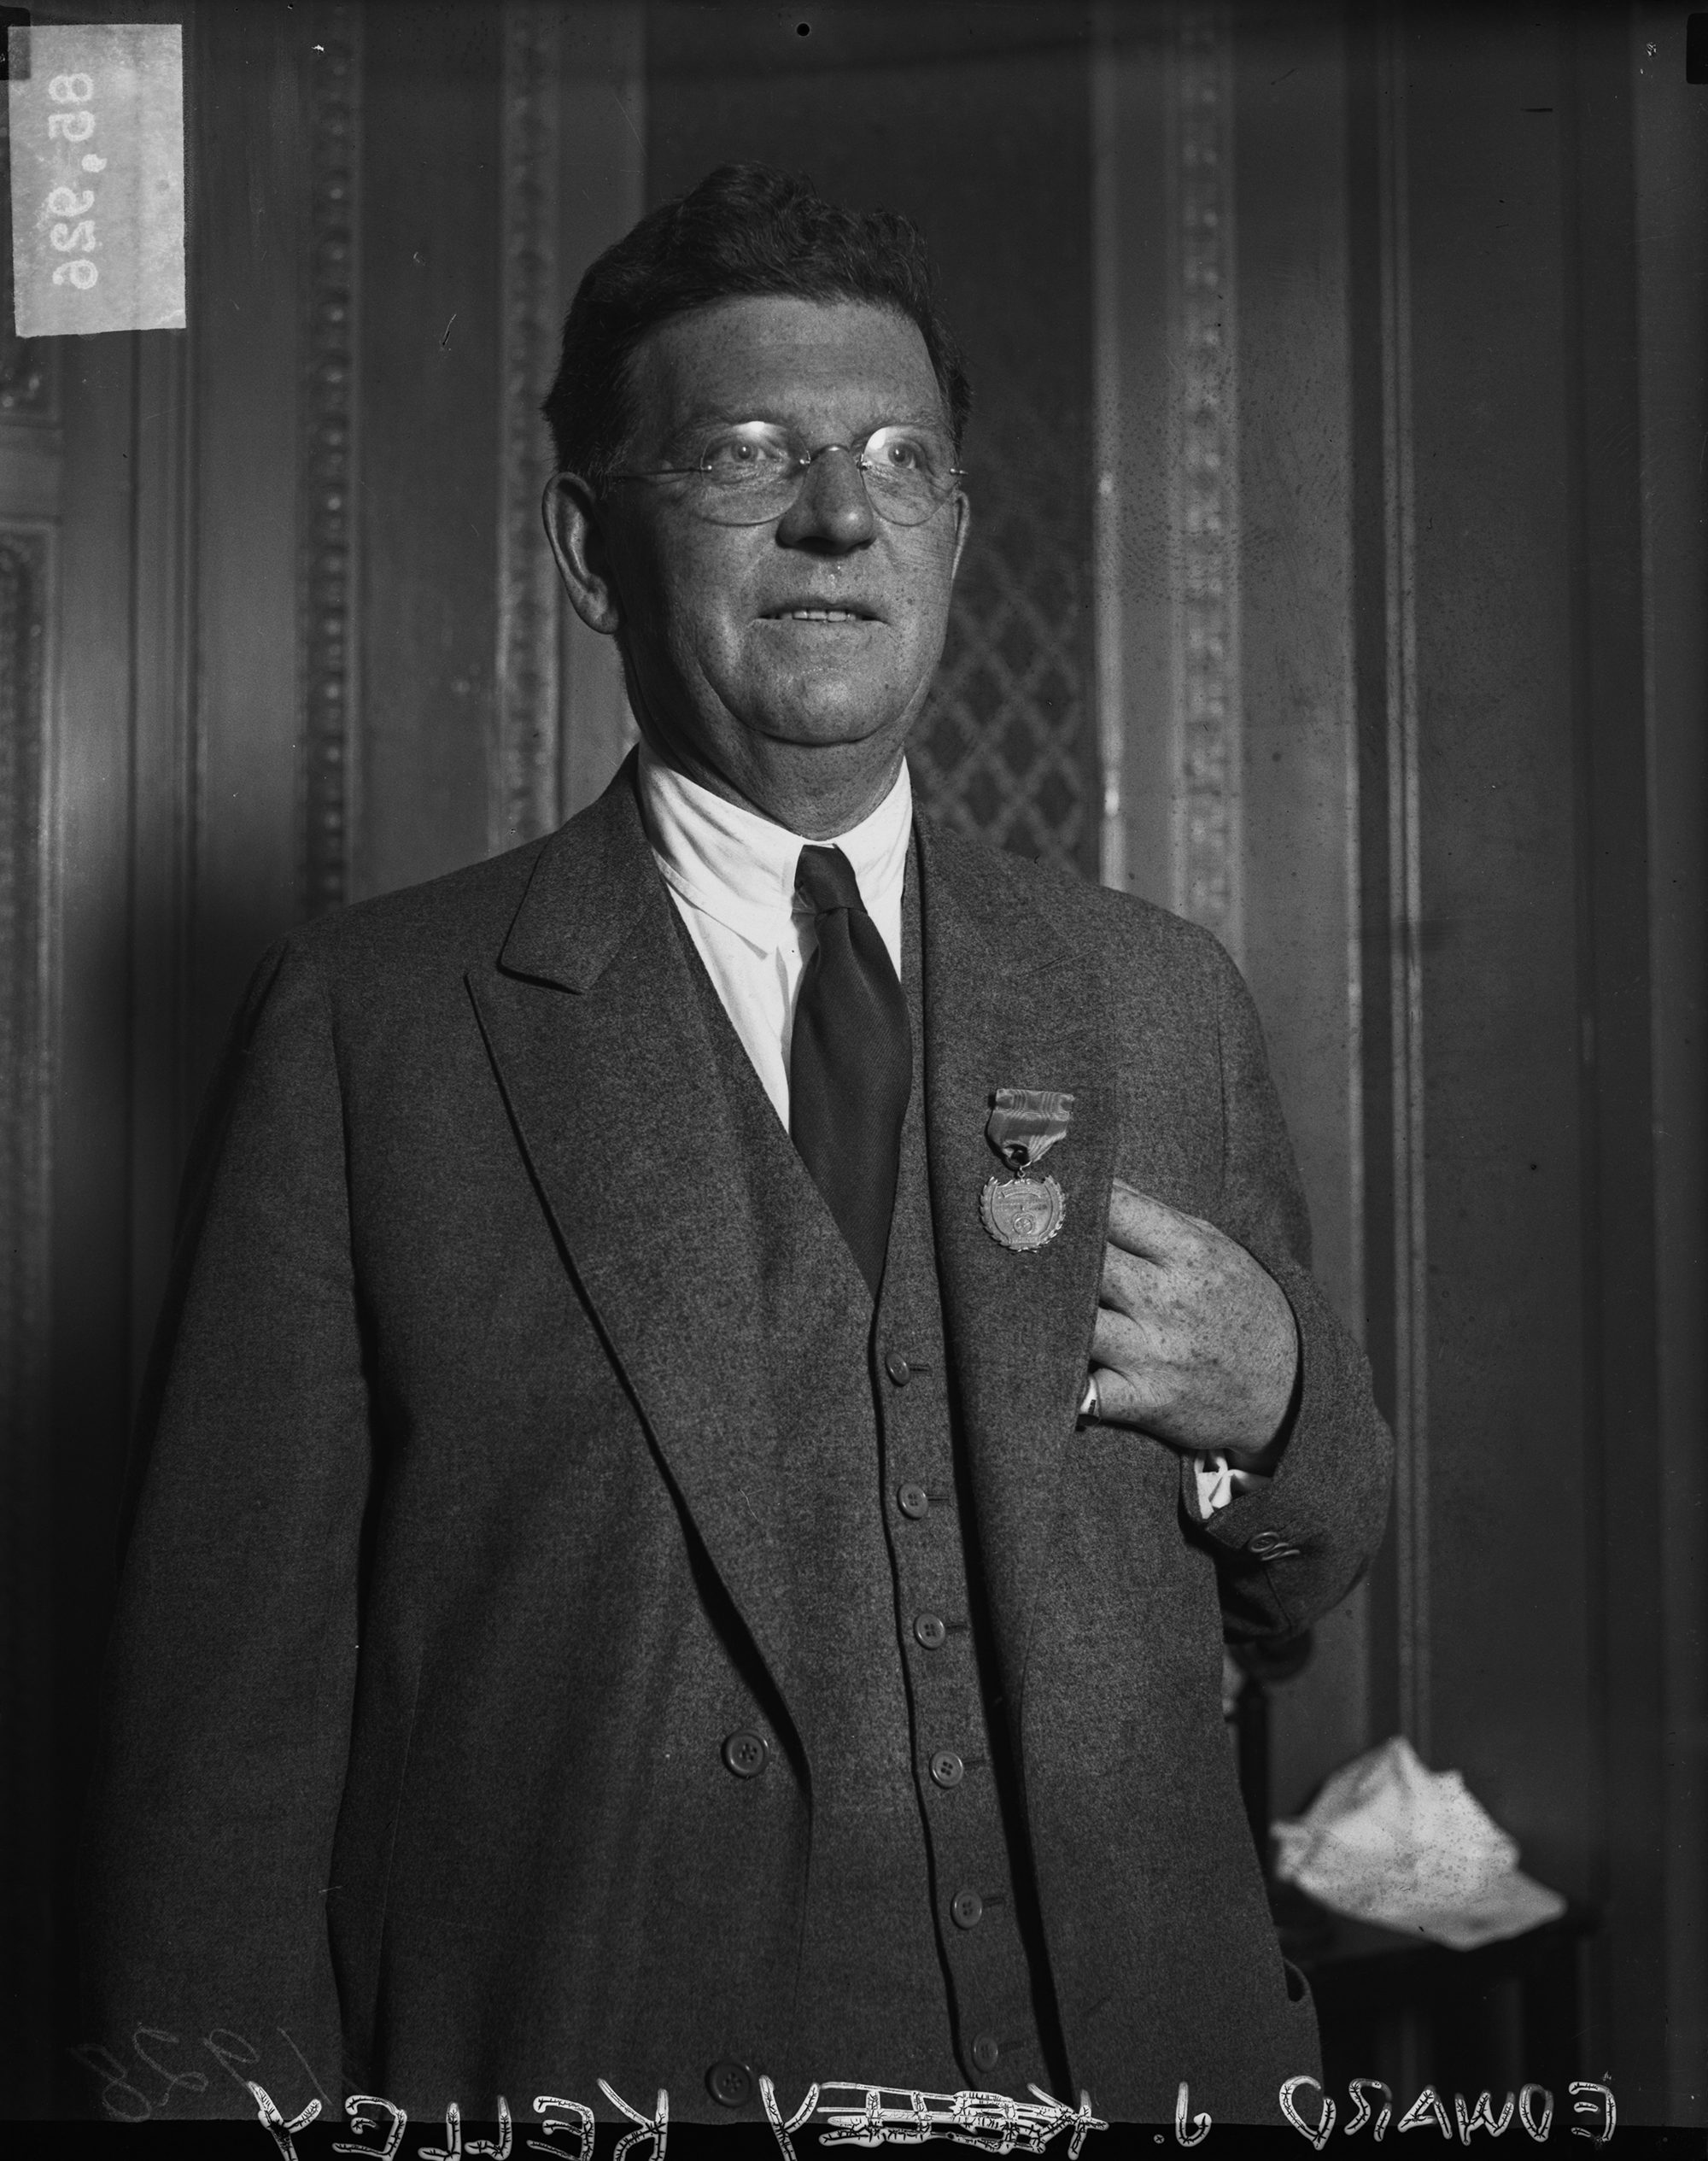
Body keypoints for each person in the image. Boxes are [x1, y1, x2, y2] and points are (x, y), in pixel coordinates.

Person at [80, 163, 1390, 2129]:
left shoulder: (1155, 994)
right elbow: (221, 1748)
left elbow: (1304, 1564)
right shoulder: (373, 1027)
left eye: (897, 460)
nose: (838, 514)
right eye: (750, 454)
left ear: (949, 527)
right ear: (592, 552)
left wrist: (1276, 1397)